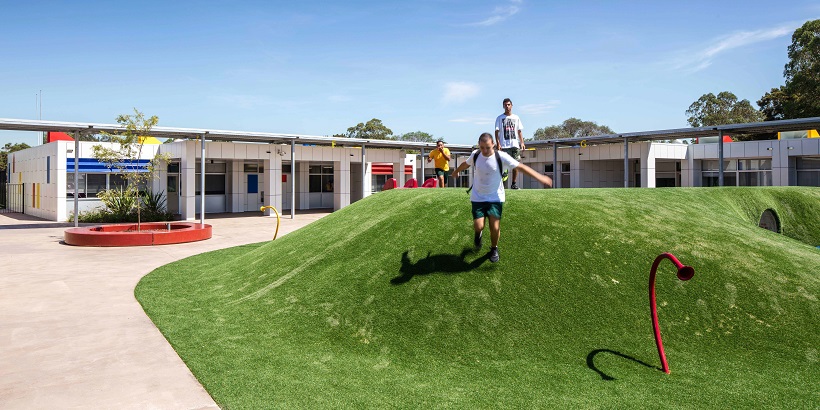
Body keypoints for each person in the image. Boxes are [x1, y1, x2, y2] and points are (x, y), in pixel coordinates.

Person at [450, 133, 552, 263]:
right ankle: (478, 233)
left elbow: (520, 167)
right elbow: (466, 164)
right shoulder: (476, 154)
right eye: (482, 147)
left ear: (493, 144)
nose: (485, 151)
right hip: (478, 197)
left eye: (487, 147)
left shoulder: (501, 157)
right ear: (479, 145)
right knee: (478, 225)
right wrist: (456, 171)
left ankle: (494, 248)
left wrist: (540, 177)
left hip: (495, 198)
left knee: (495, 226)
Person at [495, 98, 526, 189]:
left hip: (515, 144)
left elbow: (519, 131)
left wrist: (522, 142)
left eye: (508, 104)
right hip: (504, 145)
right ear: (503, 106)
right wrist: (498, 143)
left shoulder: (516, 117)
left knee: (516, 164)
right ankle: (501, 184)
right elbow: (497, 131)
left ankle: (514, 184)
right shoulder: (500, 118)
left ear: (512, 106)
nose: (507, 106)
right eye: (505, 105)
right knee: (503, 165)